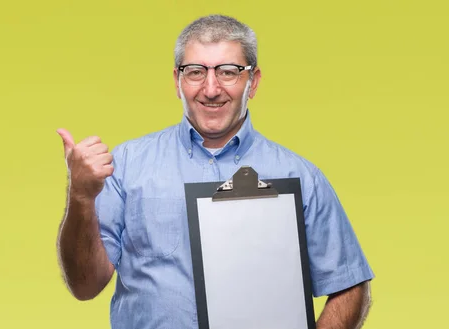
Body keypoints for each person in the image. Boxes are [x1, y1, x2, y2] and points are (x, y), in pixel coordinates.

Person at [56, 14, 374, 329]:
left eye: (228, 72)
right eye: (195, 72)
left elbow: (350, 285)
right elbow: (85, 285)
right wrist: (81, 196)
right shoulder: (126, 165)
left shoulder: (300, 176)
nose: (211, 89)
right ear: (177, 82)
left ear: (253, 82)